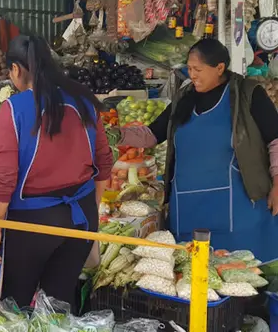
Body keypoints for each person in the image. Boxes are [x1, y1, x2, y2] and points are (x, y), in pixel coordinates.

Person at [118, 38, 278, 260]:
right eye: (189, 68)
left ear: (219, 68)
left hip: (239, 209)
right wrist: (115, 134)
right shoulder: (184, 99)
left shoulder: (247, 94)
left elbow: (275, 139)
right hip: (188, 208)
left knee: (244, 272)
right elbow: (152, 135)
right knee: (192, 275)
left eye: (197, 69)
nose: (191, 75)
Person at [0, 36, 113, 311]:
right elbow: (104, 161)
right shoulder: (83, 100)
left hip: (31, 224)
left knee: (14, 308)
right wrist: (92, 205)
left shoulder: (14, 109)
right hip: (80, 217)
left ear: (17, 70)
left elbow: (3, 177)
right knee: (59, 305)